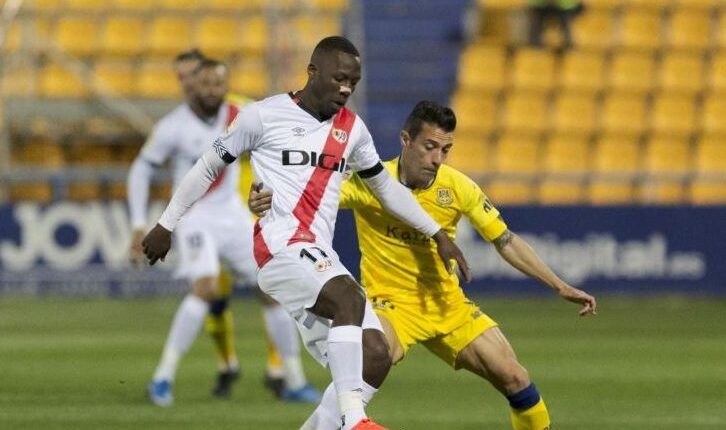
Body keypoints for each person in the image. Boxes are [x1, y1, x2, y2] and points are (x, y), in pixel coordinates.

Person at [141, 36, 469, 430]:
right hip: (279, 248)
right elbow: (207, 166)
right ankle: (354, 420)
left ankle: (333, 421)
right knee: (348, 297)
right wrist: (166, 224)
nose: (346, 88)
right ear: (313, 72)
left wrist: (438, 233)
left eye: (354, 81)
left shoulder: (352, 129)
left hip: (316, 254)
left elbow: (385, 187)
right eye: (339, 78)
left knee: (376, 355)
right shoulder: (261, 116)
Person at [250, 100, 597, 430]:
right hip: (390, 305)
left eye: (445, 150)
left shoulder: (458, 188)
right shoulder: (371, 182)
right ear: (406, 139)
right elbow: (309, 195)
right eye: (430, 146)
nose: (437, 158)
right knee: (365, 366)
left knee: (516, 379)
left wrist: (559, 285)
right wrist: (265, 198)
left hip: (448, 306)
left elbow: (504, 240)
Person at [128, 58, 318, 406]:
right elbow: (141, 169)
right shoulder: (173, 126)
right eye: (206, 84)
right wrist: (140, 223)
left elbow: (286, 119)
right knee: (207, 288)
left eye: (219, 84)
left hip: (231, 215)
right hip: (194, 217)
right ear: (193, 86)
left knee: (272, 287)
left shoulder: (239, 112)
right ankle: (162, 378)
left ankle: (293, 379)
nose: (212, 90)